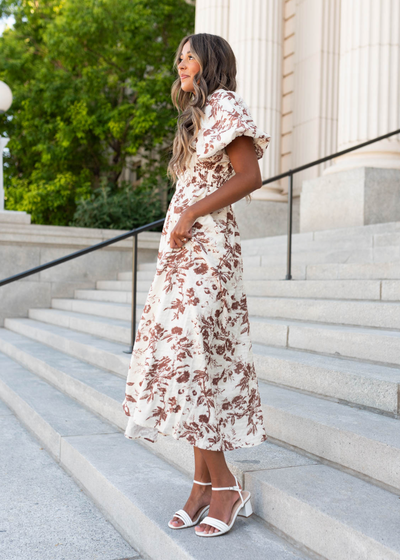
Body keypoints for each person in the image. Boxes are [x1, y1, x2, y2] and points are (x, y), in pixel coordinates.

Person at [122, 32, 271, 537]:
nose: (182, 63)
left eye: (190, 56)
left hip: (208, 251)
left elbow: (248, 176)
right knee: (191, 364)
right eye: (179, 56)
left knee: (190, 357)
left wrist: (189, 212)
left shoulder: (226, 103)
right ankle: (201, 485)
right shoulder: (195, 117)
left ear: (211, 63)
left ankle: (225, 485)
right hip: (183, 253)